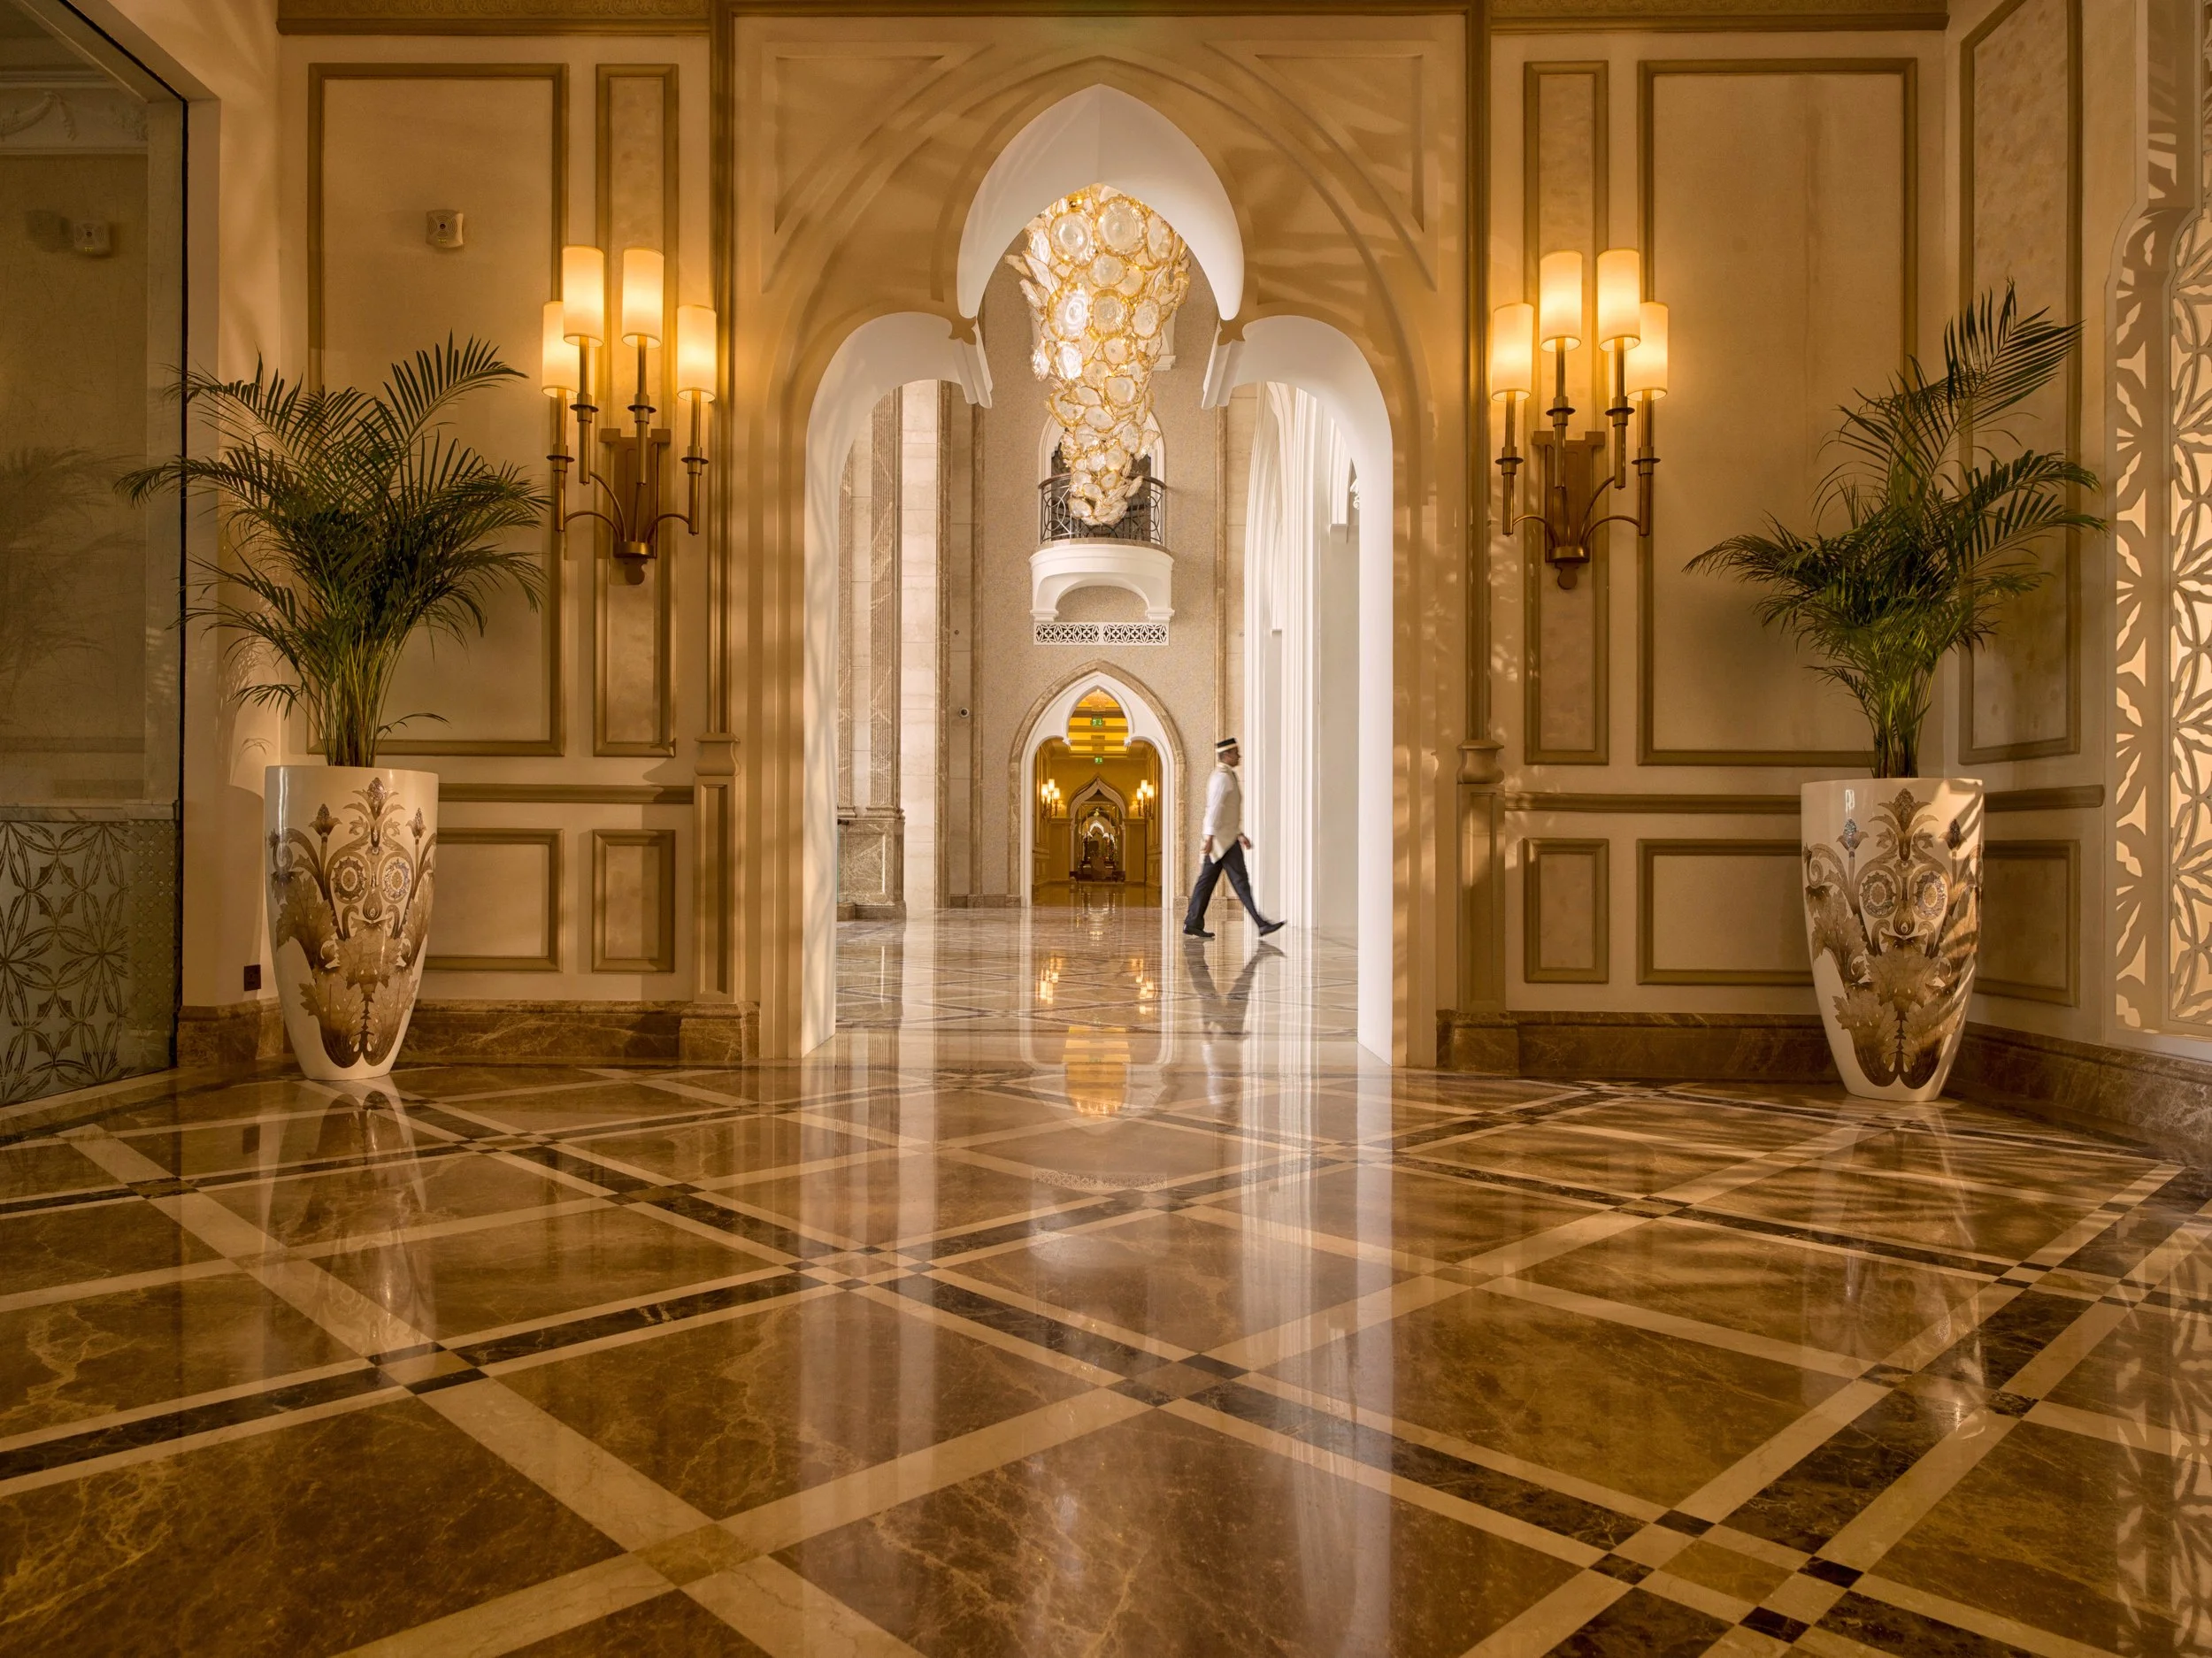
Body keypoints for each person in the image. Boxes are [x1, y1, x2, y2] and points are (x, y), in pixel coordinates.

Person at [1182, 736, 1286, 940]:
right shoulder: (1221, 778)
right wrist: (1210, 838)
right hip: (1222, 842)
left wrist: (1239, 834)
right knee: (1240, 882)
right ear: (1227, 755)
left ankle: (1193, 922)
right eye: (1236, 753)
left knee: (1207, 882)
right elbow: (1213, 809)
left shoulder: (1227, 776)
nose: (1239, 756)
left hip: (1226, 838)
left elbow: (1227, 811)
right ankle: (1260, 923)